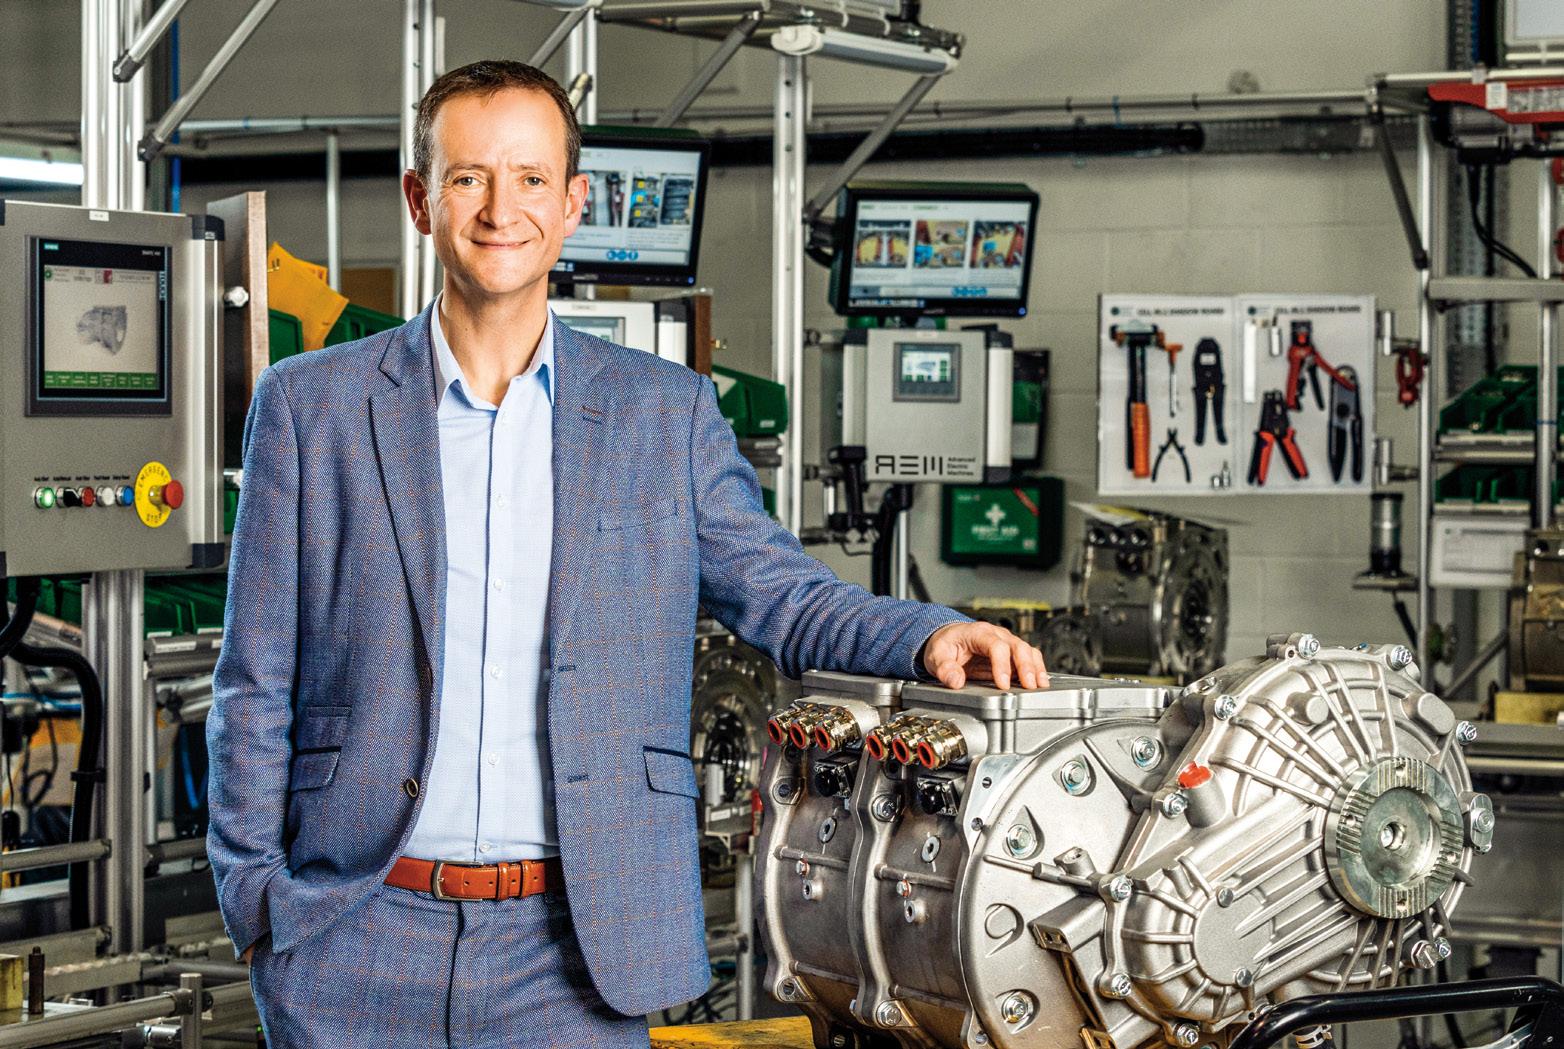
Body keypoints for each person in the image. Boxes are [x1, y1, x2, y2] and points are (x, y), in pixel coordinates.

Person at [206, 59, 1048, 1049]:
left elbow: (782, 594)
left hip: (572, 950)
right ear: (421, 199)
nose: (500, 209)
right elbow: (255, 679)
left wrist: (929, 633)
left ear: (572, 204)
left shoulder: (663, 413)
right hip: (355, 934)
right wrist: (257, 902)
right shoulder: (312, 406)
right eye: (469, 177)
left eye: (530, 178)